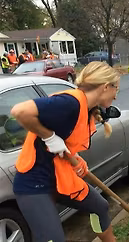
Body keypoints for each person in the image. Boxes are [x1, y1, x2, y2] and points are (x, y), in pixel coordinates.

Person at [11, 61, 121, 242]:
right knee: (53, 238)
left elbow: (64, 140)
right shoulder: (70, 102)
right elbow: (20, 111)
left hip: (59, 177)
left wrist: (75, 157)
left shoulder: (87, 108)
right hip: (34, 183)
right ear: (105, 87)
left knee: (99, 206)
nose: (116, 95)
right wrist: (48, 136)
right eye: (116, 88)